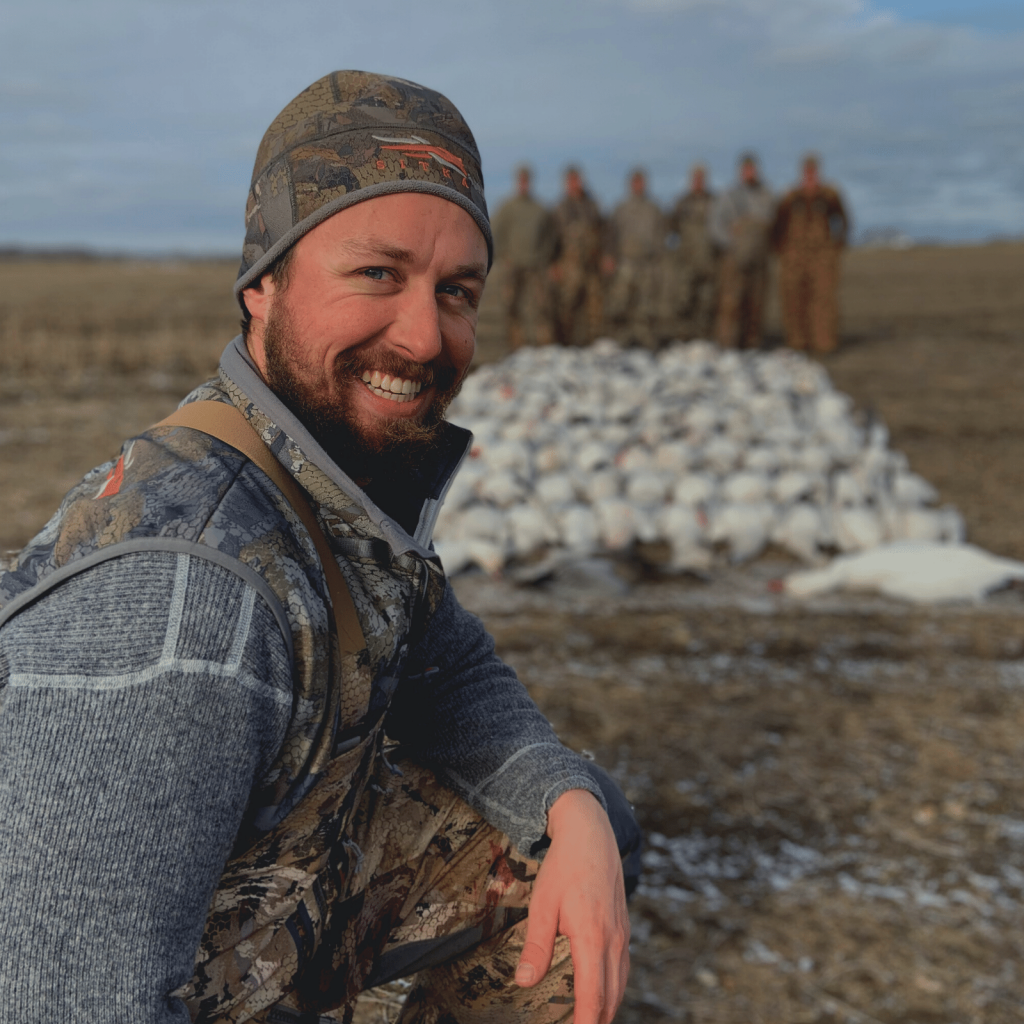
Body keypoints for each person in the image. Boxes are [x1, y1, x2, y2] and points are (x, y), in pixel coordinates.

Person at [0, 71, 639, 1024]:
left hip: (263, 907)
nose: (424, 338)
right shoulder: (183, 603)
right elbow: (65, 1001)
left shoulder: (327, 479)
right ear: (263, 283)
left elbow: (444, 665)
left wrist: (569, 807)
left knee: (559, 853)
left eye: (455, 290)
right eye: (377, 274)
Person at [771, 154, 849, 353]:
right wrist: (781, 249)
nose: (810, 175)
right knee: (794, 300)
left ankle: (824, 343)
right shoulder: (790, 196)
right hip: (794, 257)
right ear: (802, 172)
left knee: (823, 301)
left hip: (821, 257)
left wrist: (836, 246)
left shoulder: (829, 195)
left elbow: (843, 220)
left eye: (813, 171)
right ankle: (797, 343)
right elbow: (777, 225)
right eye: (807, 171)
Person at [709, 152, 775, 349]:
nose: (749, 173)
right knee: (731, 305)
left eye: (752, 169)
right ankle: (728, 345)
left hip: (759, 260)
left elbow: (774, 225)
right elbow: (715, 225)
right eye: (745, 169)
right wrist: (731, 244)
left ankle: (752, 344)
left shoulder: (767, 195)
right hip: (735, 260)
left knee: (756, 304)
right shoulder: (729, 196)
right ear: (740, 172)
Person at [490, 164, 558, 349]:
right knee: (511, 307)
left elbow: (551, 237)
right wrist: (504, 256)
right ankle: (515, 346)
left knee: (541, 308)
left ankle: (544, 347)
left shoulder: (540, 209)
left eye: (526, 180)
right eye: (521, 180)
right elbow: (495, 232)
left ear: (530, 182)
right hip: (513, 266)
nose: (524, 184)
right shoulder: (507, 208)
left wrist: (545, 257)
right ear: (517, 182)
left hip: (536, 266)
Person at [603, 168, 666, 349]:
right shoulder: (620, 208)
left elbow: (661, 236)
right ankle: (620, 340)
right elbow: (611, 235)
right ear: (630, 184)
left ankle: (647, 341)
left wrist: (658, 261)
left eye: (641, 182)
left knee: (646, 305)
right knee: (620, 303)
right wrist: (610, 257)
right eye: (635, 182)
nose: (638, 185)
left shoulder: (654, 209)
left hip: (648, 264)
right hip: (625, 263)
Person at [549, 165, 605, 347]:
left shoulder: (592, 205)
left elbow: (603, 231)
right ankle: (564, 344)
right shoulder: (560, 208)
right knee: (567, 305)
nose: (575, 184)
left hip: (591, 264)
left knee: (594, 306)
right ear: (566, 183)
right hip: (569, 265)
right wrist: (553, 264)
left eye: (577, 180)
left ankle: (593, 345)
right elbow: (552, 239)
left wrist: (605, 256)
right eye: (571, 181)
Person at [663, 163, 718, 341]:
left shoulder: (715, 202)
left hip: (709, 262)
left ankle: (704, 339)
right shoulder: (682, 203)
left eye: (701, 179)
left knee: (707, 303)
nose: (698, 182)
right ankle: (683, 338)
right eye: (695, 179)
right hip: (686, 262)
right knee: (684, 302)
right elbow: (670, 229)